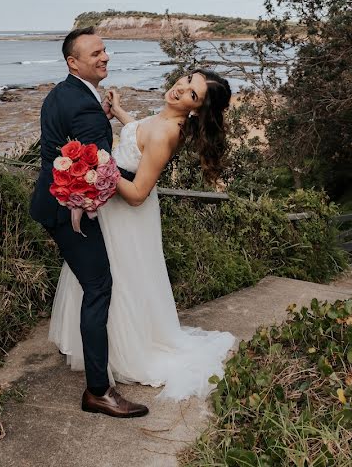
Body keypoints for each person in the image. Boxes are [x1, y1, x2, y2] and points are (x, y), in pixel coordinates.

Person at [48, 66, 237, 400]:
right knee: (109, 278)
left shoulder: (168, 133)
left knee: (119, 280)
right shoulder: (165, 118)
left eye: (192, 94)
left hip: (127, 215)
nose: (181, 90)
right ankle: (99, 346)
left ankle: (124, 352)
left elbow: (137, 193)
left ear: (197, 109)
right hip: (113, 208)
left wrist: (99, 168)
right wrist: (120, 111)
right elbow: (140, 138)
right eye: (186, 81)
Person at [29, 27, 149, 418]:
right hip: (69, 212)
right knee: (99, 286)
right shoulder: (83, 105)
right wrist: (136, 191)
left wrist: (106, 110)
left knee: (89, 282)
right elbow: (99, 168)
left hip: (51, 204)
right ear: (73, 62)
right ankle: (98, 390)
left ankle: (82, 354)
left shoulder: (61, 94)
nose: (105, 57)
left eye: (105, 50)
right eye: (96, 53)